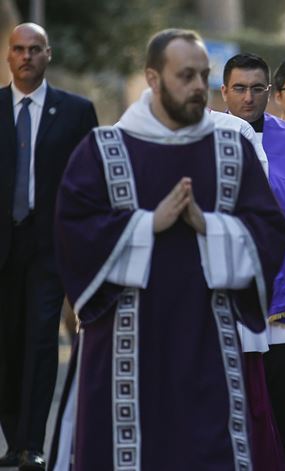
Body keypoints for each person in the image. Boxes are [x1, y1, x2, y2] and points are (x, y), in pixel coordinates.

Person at [49, 29, 285, 470]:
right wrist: (147, 225)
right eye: (185, 76)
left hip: (206, 344)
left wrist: (209, 227)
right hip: (123, 346)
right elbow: (72, 234)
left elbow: (269, 232)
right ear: (153, 79)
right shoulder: (105, 150)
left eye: (203, 75)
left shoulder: (231, 151)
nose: (199, 86)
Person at [0, 23, 97, 470]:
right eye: (18, 49)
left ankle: (29, 445)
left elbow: (89, 183)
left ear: (48, 55)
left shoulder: (76, 111)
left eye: (34, 49)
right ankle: (12, 435)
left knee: (41, 342)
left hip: (49, 246)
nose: (26, 57)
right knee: (7, 343)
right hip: (3, 247)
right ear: (8, 55)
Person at [221, 51, 285, 469]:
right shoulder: (207, 136)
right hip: (226, 304)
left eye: (256, 88)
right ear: (223, 91)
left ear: (269, 92)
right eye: (239, 88)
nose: (248, 97)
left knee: (283, 411)